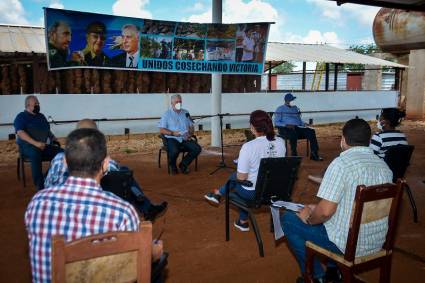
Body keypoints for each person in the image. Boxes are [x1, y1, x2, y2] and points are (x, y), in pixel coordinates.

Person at [25, 127, 166, 283]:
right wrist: (153, 252)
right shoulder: (122, 213)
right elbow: (133, 262)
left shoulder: (37, 204)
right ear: (105, 164)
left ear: (65, 161)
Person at [281, 118, 393, 283]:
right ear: (369, 141)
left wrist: (308, 217)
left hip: (347, 246)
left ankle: (316, 276)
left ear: (343, 140)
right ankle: (334, 273)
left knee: (289, 220)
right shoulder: (385, 168)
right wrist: (316, 208)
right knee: (326, 217)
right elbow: (355, 205)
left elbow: (325, 213)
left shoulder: (341, 164)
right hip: (375, 243)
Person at [44, 119, 167, 221]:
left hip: (56, 212)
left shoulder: (58, 160)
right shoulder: (123, 212)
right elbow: (115, 172)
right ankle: (145, 206)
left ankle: (145, 205)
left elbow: (47, 185)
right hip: (97, 210)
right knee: (123, 171)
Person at [204, 110, 285, 231]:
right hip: (275, 191)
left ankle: (219, 194)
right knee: (240, 179)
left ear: (252, 127)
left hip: (254, 194)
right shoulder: (280, 142)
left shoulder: (249, 147)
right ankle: (242, 221)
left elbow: (241, 178)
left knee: (235, 179)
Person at [14, 95, 63, 190]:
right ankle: (40, 187)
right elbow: (20, 133)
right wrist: (36, 143)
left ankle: (47, 177)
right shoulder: (21, 117)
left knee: (62, 153)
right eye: (35, 104)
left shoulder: (41, 116)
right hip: (28, 147)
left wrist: (53, 138)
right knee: (35, 153)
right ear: (28, 105)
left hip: (42, 146)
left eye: (38, 103)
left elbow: (47, 131)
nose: (38, 105)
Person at [158, 94, 201, 175]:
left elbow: (191, 126)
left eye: (180, 101)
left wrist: (190, 133)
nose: (179, 103)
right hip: (172, 138)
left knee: (197, 148)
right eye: (176, 102)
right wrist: (172, 133)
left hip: (184, 137)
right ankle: (172, 165)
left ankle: (183, 164)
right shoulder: (166, 114)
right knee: (174, 151)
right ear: (172, 103)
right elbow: (162, 129)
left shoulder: (186, 112)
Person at [274, 93, 323, 161]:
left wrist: (304, 124)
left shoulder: (295, 108)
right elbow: (276, 122)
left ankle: (314, 153)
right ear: (286, 100)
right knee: (293, 133)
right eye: (290, 100)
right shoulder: (280, 109)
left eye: (292, 100)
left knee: (311, 131)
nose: (291, 101)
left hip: (296, 127)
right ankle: (294, 154)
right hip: (284, 129)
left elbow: (299, 120)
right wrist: (286, 125)